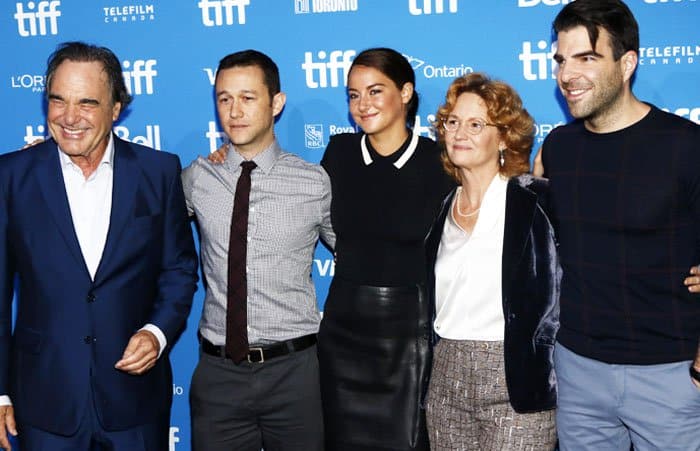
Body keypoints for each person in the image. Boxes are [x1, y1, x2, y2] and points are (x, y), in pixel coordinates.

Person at [0, 41, 198, 451]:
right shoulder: (11, 177)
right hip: (44, 401)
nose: (69, 117)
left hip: (135, 401)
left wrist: (156, 332)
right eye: (58, 100)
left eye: (87, 102)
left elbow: (178, 269)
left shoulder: (158, 172)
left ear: (116, 108)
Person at [537, 1, 700, 449]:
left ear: (626, 63)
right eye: (561, 60)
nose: (568, 74)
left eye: (586, 58)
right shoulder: (558, 147)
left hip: (670, 375)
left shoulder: (685, 146)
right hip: (577, 373)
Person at [183, 49, 334, 451]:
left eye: (248, 98)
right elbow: (133, 217)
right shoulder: (197, 177)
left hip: (296, 374)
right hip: (218, 375)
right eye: (224, 98)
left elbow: (360, 259)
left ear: (276, 103)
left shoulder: (314, 183)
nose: (234, 111)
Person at [317, 47, 455, 451]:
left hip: (410, 332)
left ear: (406, 92)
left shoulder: (440, 161)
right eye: (354, 94)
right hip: (343, 328)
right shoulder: (339, 154)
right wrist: (229, 157)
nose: (363, 104)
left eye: (376, 91)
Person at [424, 72, 559, 451]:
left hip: (516, 377)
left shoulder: (533, 201)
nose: (459, 133)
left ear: (503, 137)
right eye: (453, 122)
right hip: (446, 376)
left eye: (475, 124)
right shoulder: (443, 208)